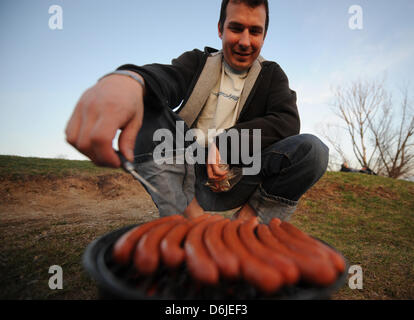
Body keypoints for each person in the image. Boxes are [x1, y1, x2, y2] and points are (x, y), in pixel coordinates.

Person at [65, 0, 329, 224]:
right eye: (236, 28)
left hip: (240, 175)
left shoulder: (272, 75)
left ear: (264, 36)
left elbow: (287, 121)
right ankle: (191, 219)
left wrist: (226, 144)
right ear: (220, 29)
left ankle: (248, 225)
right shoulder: (197, 62)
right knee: (147, 101)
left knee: (312, 151)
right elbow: (165, 78)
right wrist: (130, 80)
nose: (245, 42)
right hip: (183, 175)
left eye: (255, 31)